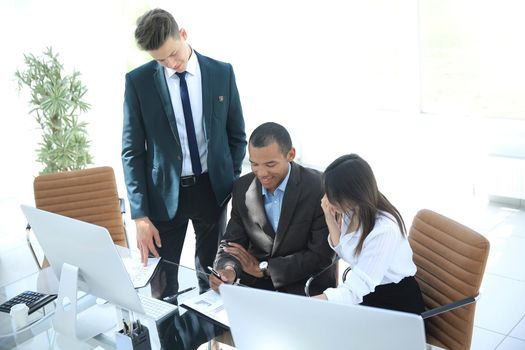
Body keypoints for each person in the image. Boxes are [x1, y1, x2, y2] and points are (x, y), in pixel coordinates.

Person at [121, 8, 246, 292]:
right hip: (163, 197)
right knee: (163, 285)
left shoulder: (221, 73)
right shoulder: (138, 83)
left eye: (173, 54)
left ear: (184, 35)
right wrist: (140, 215)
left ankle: (211, 337)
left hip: (212, 192)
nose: (170, 63)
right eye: (160, 60)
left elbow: (236, 135)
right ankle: (168, 337)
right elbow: (132, 152)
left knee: (212, 279)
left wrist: (228, 178)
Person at [209, 122, 336, 296]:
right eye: (254, 164)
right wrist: (228, 269)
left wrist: (266, 269)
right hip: (256, 289)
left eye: (270, 165)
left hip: (306, 290)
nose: (261, 173)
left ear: (291, 154)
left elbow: (322, 255)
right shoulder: (242, 188)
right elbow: (231, 243)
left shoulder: (319, 188)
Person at [313, 154, 425, 314]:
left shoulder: (383, 230)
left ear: (353, 193)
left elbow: (355, 291)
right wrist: (329, 218)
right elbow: (344, 251)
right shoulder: (353, 209)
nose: (328, 200)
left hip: (395, 304)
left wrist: (311, 303)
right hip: (369, 293)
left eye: (334, 195)